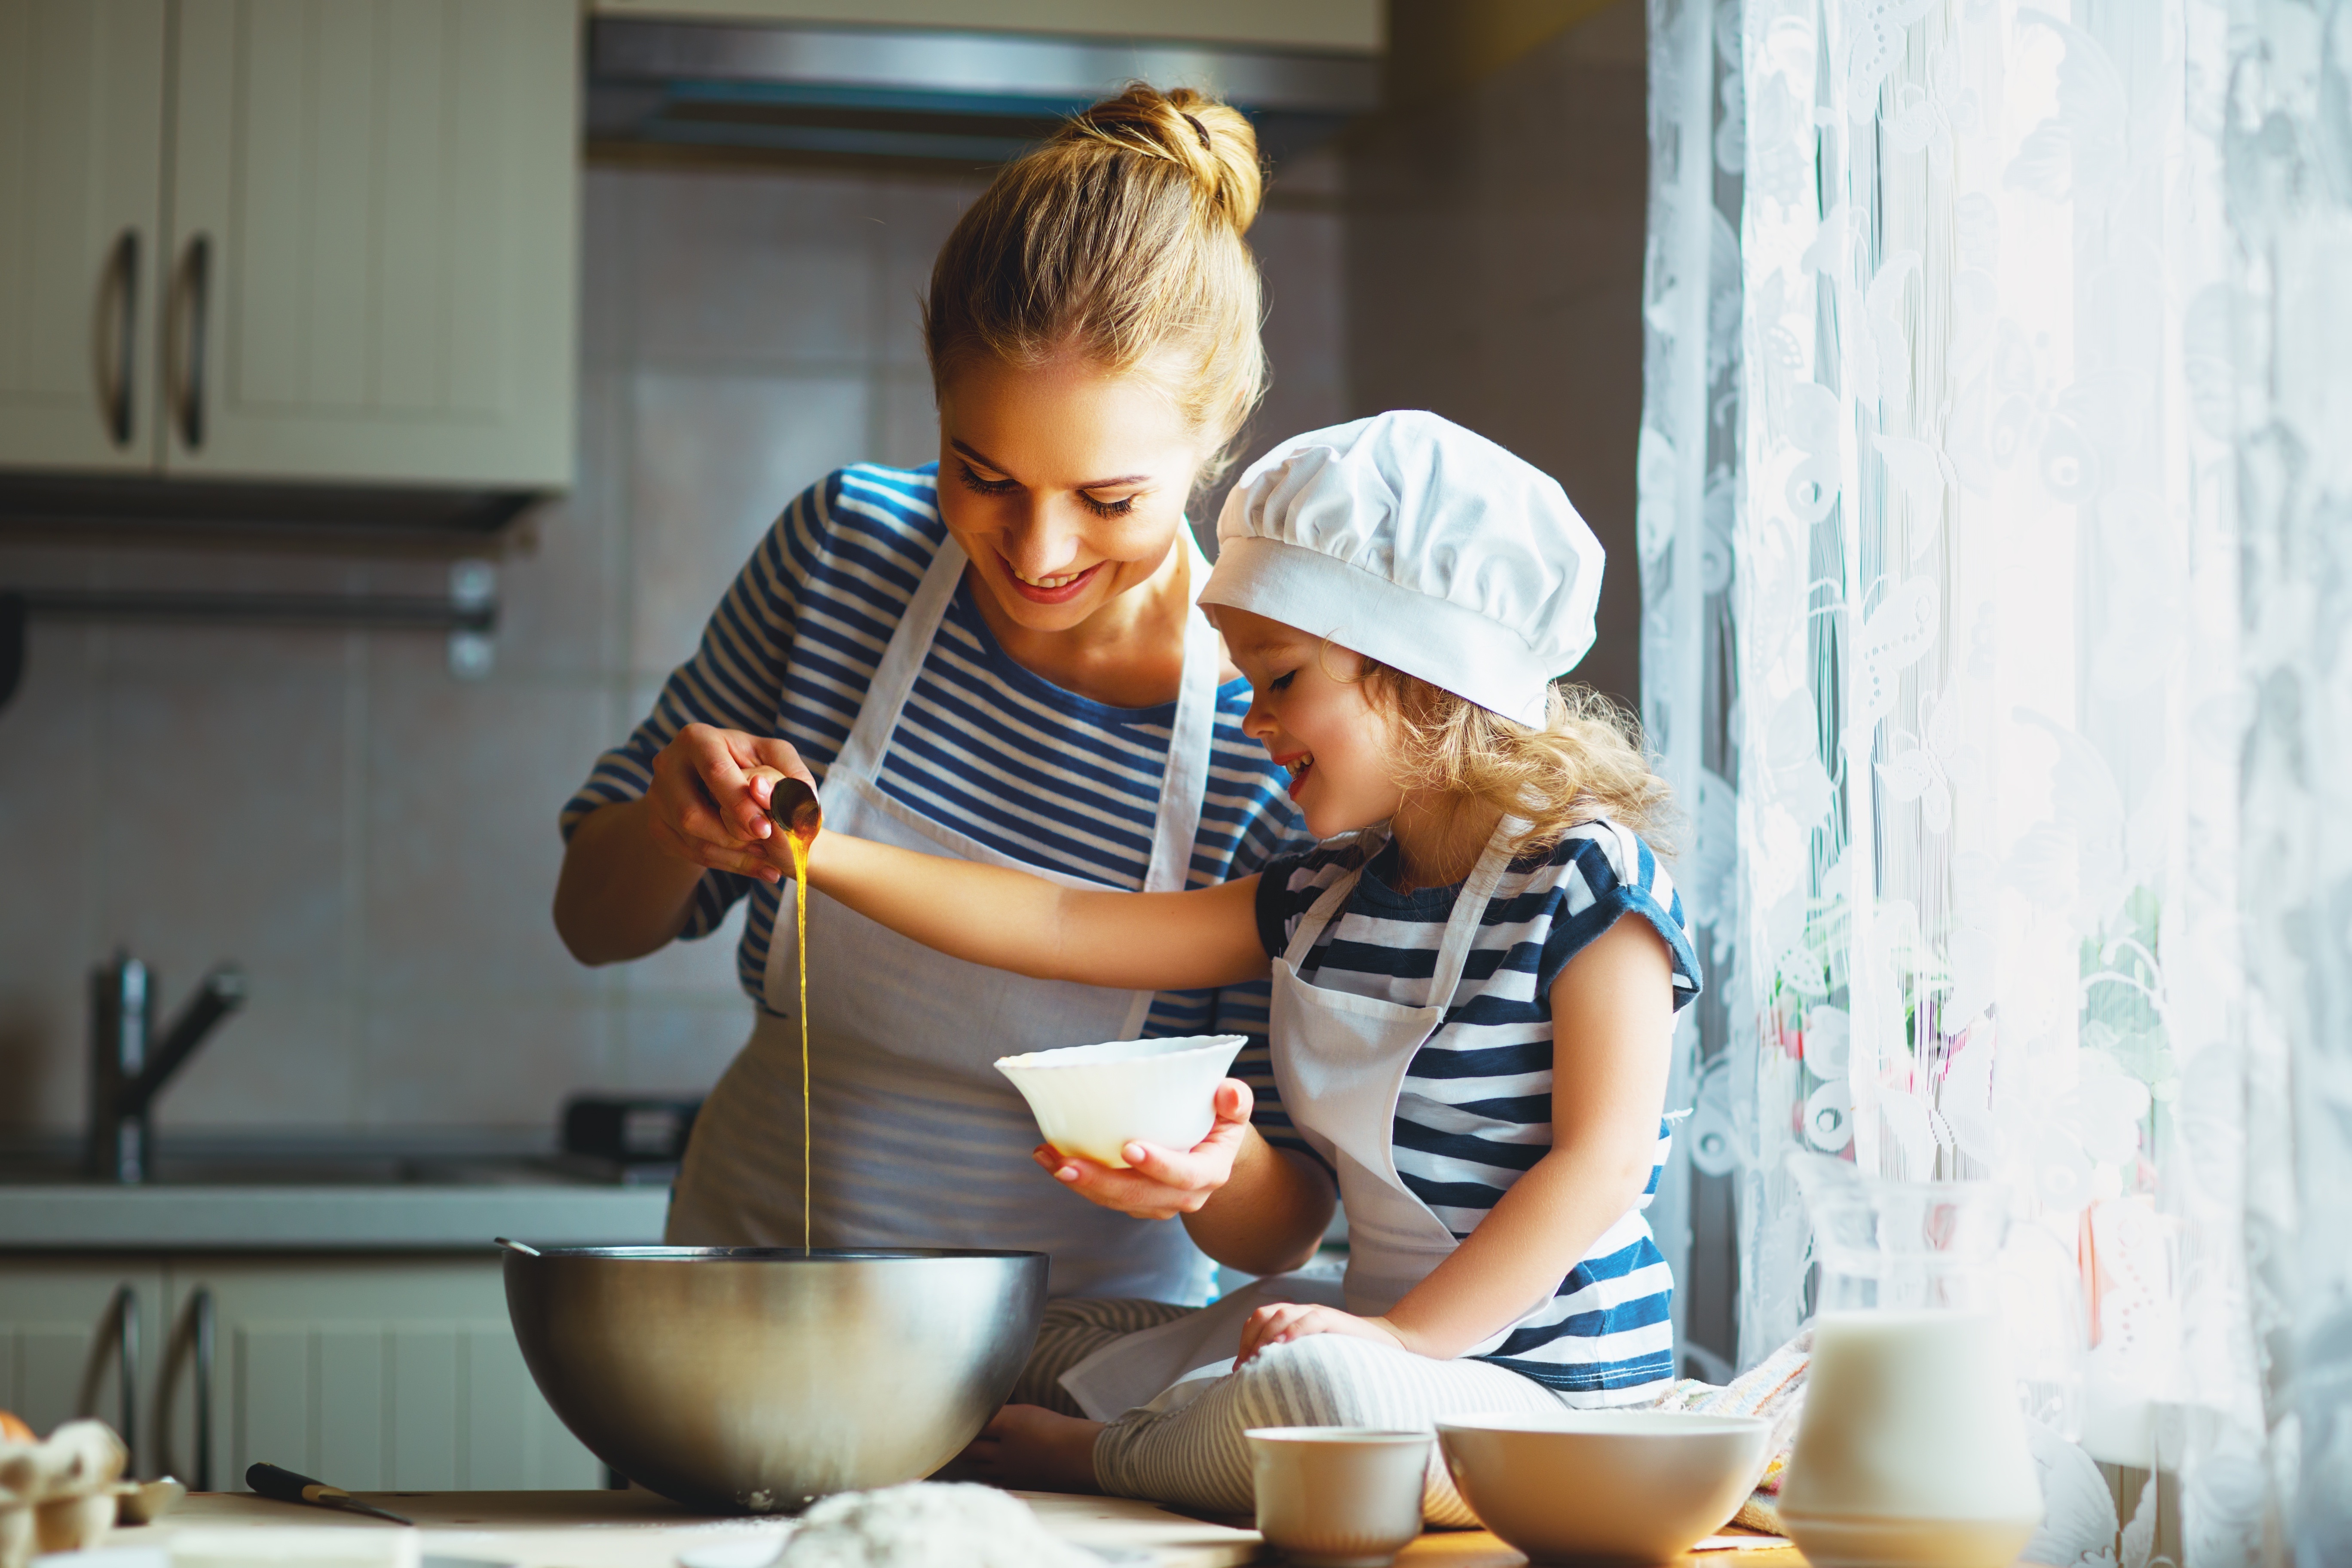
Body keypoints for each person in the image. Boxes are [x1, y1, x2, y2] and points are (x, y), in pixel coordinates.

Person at [770, 411, 1701, 1522]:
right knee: (1027, 1336)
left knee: (1323, 1390)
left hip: (1547, 1401)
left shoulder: (1589, 882)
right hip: (1372, 1344)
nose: (1255, 721)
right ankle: (1177, 1427)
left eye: (1283, 679)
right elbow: (1065, 923)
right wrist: (813, 850)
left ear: (1421, 671)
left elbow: (1598, 1166)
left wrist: (1402, 1340)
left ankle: (1104, 1457)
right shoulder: (1324, 895)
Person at [551, 87, 1322, 1354]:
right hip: (747, 1323)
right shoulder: (846, 555)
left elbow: (1281, 1223)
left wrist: (1207, 1172)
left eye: (1110, 498)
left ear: (1215, 440)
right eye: (986, 474)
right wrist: (670, 823)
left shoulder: (1270, 719)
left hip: (1074, 1381)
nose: (1037, 549)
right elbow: (592, 920)